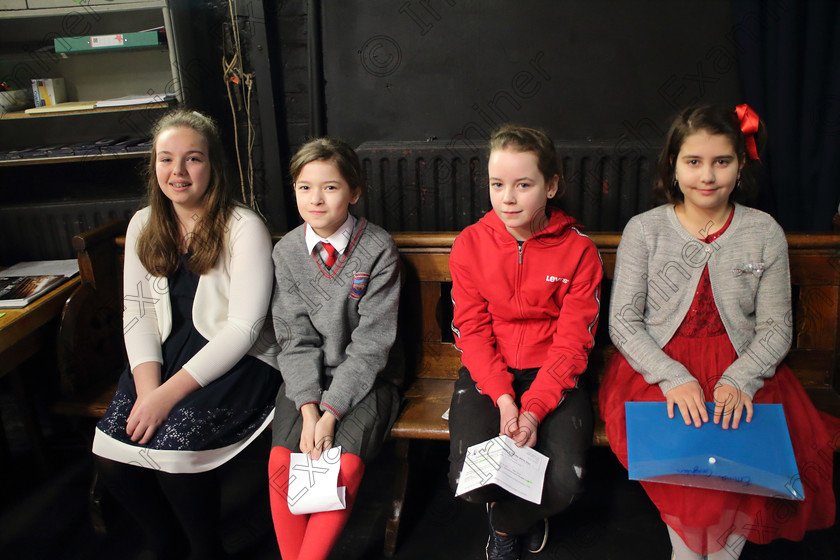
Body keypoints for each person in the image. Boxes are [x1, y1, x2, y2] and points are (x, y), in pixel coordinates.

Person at [600, 104, 838, 559]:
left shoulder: (762, 231)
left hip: (743, 367)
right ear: (673, 165)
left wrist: (738, 379)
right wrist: (673, 377)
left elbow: (775, 328)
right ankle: (687, 549)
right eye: (693, 162)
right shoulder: (645, 231)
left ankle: (725, 551)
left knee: (738, 434)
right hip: (660, 369)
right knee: (687, 436)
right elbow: (624, 323)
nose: (707, 176)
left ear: (740, 164)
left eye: (721, 161)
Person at [92, 109, 282, 559]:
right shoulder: (144, 224)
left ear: (213, 165)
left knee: (176, 450)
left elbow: (244, 328)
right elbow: (136, 314)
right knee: (111, 454)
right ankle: (165, 540)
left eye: (192, 159)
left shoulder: (244, 227)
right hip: (162, 355)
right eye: (165, 159)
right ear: (153, 165)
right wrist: (147, 390)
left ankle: (205, 548)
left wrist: (166, 398)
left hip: (237, 358)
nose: (177, 172)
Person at [448, 125, 603, 560]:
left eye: (524, 185)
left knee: (565, 484)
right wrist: (503, 399)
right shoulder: (470, 244)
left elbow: (574, 343)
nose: (508, 198)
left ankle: (507, 524)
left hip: (552, 373)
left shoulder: (579, 252)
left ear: (551, 186)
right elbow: (472, 332)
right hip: (490, 374)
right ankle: (515, 512)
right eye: (498, 185)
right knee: (470, 483)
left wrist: (533, 409)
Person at [267, 137, 402, 560]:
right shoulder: (287, 251)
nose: (316, 199)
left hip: (369, 377)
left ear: (354, 192)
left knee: (338, 466)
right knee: (282, 466)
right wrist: (309, 409)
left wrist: (330, 416)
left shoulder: (377, 248)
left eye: (330, 187)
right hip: (308, 378)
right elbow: (293, 338)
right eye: (305, 187)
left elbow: (371, 346)